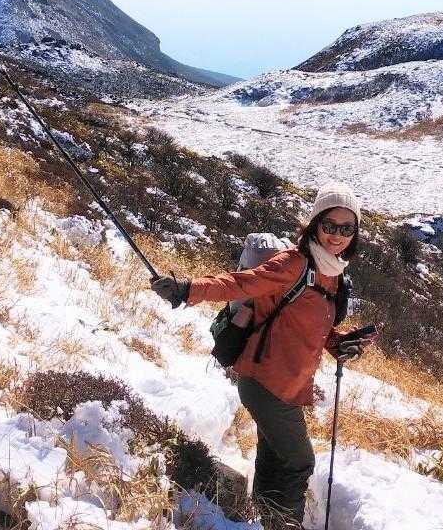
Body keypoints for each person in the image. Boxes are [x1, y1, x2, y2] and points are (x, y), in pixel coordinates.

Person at [151, 183, 376, 529]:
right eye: (330, 225)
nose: (337, 235)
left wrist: (339, 343)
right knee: (299, 462)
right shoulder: (293, 264)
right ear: (315, 223)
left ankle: (264, 521)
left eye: (347, 229)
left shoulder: (332, 272)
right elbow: (241, 283)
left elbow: (304, 326)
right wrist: (187, 289)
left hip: (288, 386)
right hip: (265, 382)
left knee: (275, 458)